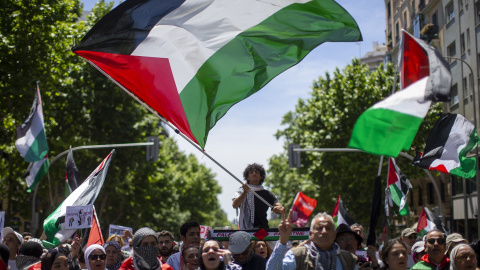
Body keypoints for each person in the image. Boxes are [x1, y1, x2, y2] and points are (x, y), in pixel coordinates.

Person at [267, 210, 358, 270]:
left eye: (328, 228)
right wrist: (282, 241)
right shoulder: (297, 256)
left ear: (335, 234)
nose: (324, 232)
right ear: (311, 234)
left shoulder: (348, 259)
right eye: (319, 228)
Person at [232, 163, 284, 230]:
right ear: (247, 177)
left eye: (256, 172)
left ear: (260, 177)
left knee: (260, 241)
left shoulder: (267, 194)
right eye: (251, 172)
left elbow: (281, 208)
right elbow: (234, 205)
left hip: (262, 229)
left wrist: (278, 208)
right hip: (245, 230)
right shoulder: (241, 191)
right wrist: (245, 193)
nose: (254, 173)